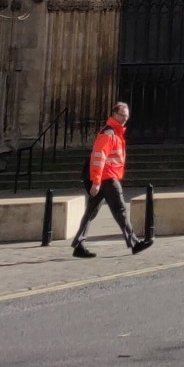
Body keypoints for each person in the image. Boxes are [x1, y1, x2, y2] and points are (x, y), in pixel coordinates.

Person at [72, 102, 153, 258]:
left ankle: (78, 245)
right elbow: (98, 157)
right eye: (122, 115)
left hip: (106, 177)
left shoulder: (115, 133)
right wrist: (96, 181)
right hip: (107, 178)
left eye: (127, 116)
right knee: (121, 210)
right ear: (115, 115)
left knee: (91, 212)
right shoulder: (109, 133)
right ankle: (135, 243)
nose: (125, 119)